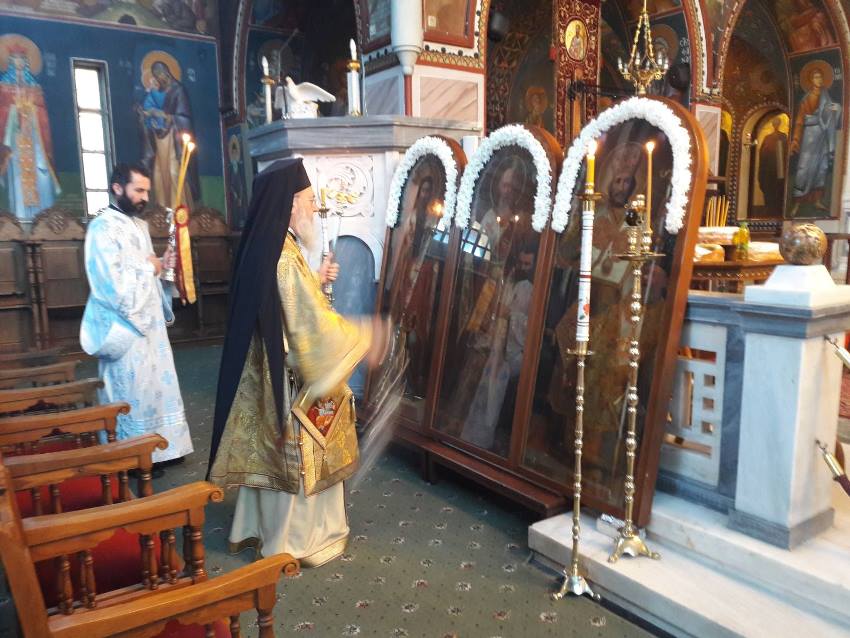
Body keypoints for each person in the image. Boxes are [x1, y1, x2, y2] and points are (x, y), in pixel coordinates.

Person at [208, 158, 388, 567]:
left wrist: (316, 280)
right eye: (308, 200)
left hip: (267, 376)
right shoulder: (285, 257)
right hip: (291, 382)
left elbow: (281, 305)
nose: (313, 207)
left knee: (271, 457)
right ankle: (297, 539)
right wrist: (364, 335)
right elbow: (310, 329)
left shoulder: (269, 245)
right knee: (306, 450)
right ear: (289, 205)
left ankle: (259, 527)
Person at [80, 163, 193, 465]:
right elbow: (109, 285)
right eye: (139, 190)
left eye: (147, 191)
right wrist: (149, 267)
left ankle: (164, 448)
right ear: (118, 188)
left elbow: (147, 271)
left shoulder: (139, 226)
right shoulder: (102, 228)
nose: (145, 198)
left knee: (155, 385)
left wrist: (163, 265)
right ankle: (131, 455)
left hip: (150, 325)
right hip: (125, 326)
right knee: (130, 389)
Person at [137, 60, 199, 208]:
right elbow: (149, 110)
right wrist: (145, 116)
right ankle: (164, 211)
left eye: (159, 75)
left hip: (174, 141)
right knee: (159, 174)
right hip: (160, 141)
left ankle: (180, 211)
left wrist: (167, 116)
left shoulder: (178, 90)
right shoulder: (156, 92)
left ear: (165, 73)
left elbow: (184, 117)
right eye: (155, 76)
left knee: (174, 172)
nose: (158, 78)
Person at [790, 66, 840, 215]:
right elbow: (800, 121)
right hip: (809, 135)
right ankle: (797, 204)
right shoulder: (806, 99)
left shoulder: (826, 95)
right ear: (811, 80)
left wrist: (836, 109)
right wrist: (796, 139)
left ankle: (817, 201)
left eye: (820, 77)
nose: (819, 80)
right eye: (816, 77)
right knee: (804, 168)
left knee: (821, 167)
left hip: (823, 135)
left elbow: (831, 112)